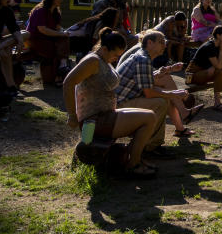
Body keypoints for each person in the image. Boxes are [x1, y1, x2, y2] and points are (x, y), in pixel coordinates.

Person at [62, 28, 158, 178]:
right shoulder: (92, 61)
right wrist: (72, 115)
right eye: (115, 55)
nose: (116, 58)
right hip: (94, 120)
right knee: (149, 118)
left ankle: (132, 158)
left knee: (150, 116)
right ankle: (133, 165)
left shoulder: (104, 61)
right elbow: (68, 83)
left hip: (107, 114)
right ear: (105, 49)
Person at [115, 30, 193, 151]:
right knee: (161, 102)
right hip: (120, 104)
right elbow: (149, 92)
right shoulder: (143, 59)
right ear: (150, 43)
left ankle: (154, 142)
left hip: (127, 99)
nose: (164, 45)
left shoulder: (143, 56)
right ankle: (150, 146)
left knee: (163, 97)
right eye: (161, 42)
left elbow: (146, 79)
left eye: (165, 42)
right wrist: (173, 93)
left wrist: (169, 69)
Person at [26, 0, 72, 86]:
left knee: (64, 38)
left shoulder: (56, 12)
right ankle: (60, 71)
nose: (61, 0)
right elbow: (42, 29)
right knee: (56, 47)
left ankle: (60, 70)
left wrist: (64, 32)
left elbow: (58, 28)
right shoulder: (40, 11)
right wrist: (61, 34)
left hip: (48, 38)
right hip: (36, 39)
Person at [186, 25, 222, 112]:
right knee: (218, 71)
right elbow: (219, 66)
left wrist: (221, 52)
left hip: (205, 73)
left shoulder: (218, 46)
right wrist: (221, 51)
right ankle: (217, 103)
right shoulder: (209, 46)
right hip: (192, 75)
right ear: (218, 36)